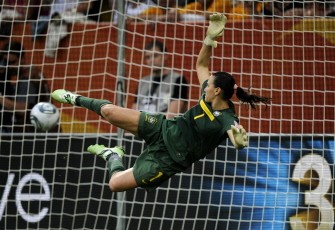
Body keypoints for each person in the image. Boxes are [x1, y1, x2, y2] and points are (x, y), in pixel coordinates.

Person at [51, 13, 270, 192]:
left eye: (210, 81)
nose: (206, 81)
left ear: (217, 90)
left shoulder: (228, 118)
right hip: (163, 127)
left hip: (169, 160)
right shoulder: (208, 92)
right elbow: (202, 64)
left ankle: (112, 156)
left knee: (114, 184)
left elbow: (235, 138)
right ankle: (75, 98)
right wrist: (209, 39)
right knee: (109, 112)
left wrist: (240, 140)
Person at [0, 41, 51, 132]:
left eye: (12, 62)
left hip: (34, 132)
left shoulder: (27, 79)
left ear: (22, 59)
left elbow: (22, 109)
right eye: (6, 62)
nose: (9, 66)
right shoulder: (34, 70)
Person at [133, 40, 188, 118]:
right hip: (142, 127)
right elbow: (134, 112)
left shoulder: (178, 80)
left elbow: (172, 115)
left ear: (165, 56)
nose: (151, 60)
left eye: (155, 55)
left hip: (165, 128)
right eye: (148, 57)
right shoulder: (142, 82)